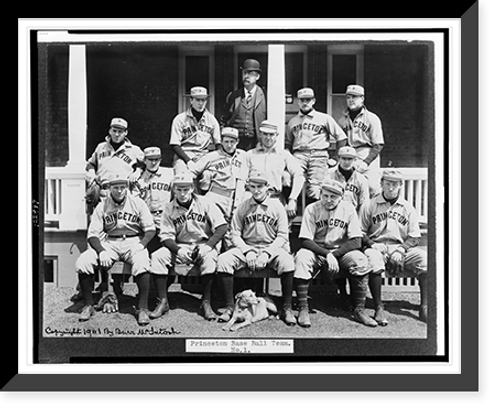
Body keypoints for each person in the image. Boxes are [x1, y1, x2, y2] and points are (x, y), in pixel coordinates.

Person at [216, 170, 297, 326]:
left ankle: (287, 308)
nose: (257, 190)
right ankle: (229, 307)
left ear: (268, 187)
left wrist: (267, 253)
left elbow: (282, 235)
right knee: (224, 260)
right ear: (249, 187)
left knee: (287, 261)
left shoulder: (277, 206)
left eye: (260, 186)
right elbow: (235, 234)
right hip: (247, 248)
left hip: (271, 248)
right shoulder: (243, 207)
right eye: (253, 186)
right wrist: (248, 251)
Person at [293, 177, 377, 328]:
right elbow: (305, 240)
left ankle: (359, 310)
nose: (328, 199)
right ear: (320, 194)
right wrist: (327, 254)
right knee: (302, 257)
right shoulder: (312, 209)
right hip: (317, 251)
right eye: (325, 195)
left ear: (341, 196)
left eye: (333, 196)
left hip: (341, 251)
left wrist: (334, 255)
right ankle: (303, 308)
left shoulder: (348, 209)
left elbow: (356, 241)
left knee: (361, 260)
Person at [74, 172, 156, 326]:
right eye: (116, 187)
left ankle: (142, 308)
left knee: (142, 261)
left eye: (123, 187)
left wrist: (141, 244)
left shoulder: (138, 203)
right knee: (84, 261)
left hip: (133, 241)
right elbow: (92, 234)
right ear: (110, 188)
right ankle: (89, 305)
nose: (119, 190)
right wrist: (101, 251)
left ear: (127, 187)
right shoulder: (102, 205)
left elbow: (150, 229)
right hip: (110, 242)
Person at [149, 172, 228, 320]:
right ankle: (163, 301)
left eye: (185, 189)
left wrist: (209, 246)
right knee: (157, 256)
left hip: (203, 245)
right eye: (179, 189)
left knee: (210, 258)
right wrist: (178, 250)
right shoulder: (169, 208)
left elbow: (222, 227)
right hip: (181, 246)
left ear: (192, 188)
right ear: (174, 190)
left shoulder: (205, 202)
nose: (182, 193)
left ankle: (206, 302)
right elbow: (165, 236)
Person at [359, 168, 428, 324]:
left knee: (424, 260)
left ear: (400, 185)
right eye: (388, 184)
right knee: (373, 260)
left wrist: (401, 249)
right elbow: (360, 232)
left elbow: (415, 236)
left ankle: (424, 306)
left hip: (400, 247)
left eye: (395, 185)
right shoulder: (370, 205)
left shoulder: (408, 208)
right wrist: (371, 244)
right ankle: (379, 307)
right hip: (377, 246)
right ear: (381, 184)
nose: (391, 188)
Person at [189, 127, 249, 247]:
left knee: (231, 234)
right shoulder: (211, 156)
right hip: (216, 196)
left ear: (237, 142)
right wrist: (195, 195)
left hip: (235, 197)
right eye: (226, 141)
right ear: (221, 141)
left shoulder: (244, 156)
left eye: (232, 142)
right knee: (215, 230)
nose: (229, 145)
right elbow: (191, 172)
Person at [285, 88, 348, 203]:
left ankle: (313, 218)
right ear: (298, 101)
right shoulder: (293, 121)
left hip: (318, 155)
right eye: (302, 100)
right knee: (287, 179)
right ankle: (290, 212)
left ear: (313, 101)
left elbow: (342, 137)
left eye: (308, 100)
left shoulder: (324, 118)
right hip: (299, 155)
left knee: (315, 189)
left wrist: (335, 157)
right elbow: (288, 142)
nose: (305, 103)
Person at [246, 120, 305, 220]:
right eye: (265, 134)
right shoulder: (250, 155)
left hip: (275, 199)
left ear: (276, 135)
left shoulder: (283, 155)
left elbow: (299, 176)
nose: (268, 138)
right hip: (253, 200)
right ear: (260, 134)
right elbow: (242, 179)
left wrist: (292, 199)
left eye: (271, 134)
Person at [85, 117, 145, 211]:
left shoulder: (134, 150)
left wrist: (138, 171)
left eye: (120, 132)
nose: (117, 134)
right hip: (104, 192)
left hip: (124, 192)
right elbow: (91, 163)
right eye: (114, 131)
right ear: (110, 131)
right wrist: (92, 172)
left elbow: (146, 164)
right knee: (103, 222)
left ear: (125, 133)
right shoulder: (101, 147)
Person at [337, 85, 385, 197]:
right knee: (342, 186)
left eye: (354, 97)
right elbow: (341, 142)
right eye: (348, 97)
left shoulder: (372, 118)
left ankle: (373, 213)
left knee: (373, 187)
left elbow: (378, 144)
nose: (351, 100)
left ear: (362, 99)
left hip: (367, 153)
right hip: (349, 155)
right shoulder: (342, 120)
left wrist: (366, 162)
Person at [169, 86, 221, 174]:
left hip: (203, 156)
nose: (201, 103)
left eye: (203, 100)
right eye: (198, 100)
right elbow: (175, 145)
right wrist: (188, 161)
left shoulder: (211, 119)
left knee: (208, 176)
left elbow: (218, 143)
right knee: (183, 175)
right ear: (191, 100)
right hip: (184, 156)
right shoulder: (180, 119)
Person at [220, 58, 267, 150]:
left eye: (250, 73)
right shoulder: (233, 96)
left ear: (257, 76)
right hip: (235, 143)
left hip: (256, 143)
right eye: (244, 73)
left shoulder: (265, 96)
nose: (246, 76)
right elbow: (224, 119)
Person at [136, 147, 174, 232]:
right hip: (146, 218)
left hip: (165, 216)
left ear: (160, 160)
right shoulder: (139, 178)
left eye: (156, 159)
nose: (153, 163)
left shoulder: (170, 173)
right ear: (145, 160)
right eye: (150, 159)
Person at [326, 146, 370, 213]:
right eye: (343, 158)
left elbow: (364, 204)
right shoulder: (329, 175)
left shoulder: (361, 179)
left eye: (349, 159)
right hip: (332, 215)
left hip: (353, 216)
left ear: (355, 160)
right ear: (339, 158)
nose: (346, 162)